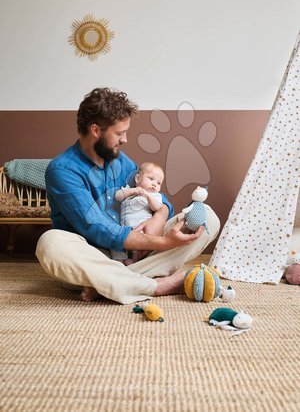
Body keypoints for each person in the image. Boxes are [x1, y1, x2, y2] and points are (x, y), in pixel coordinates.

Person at [36, 87, 220, 305]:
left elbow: (161, 200)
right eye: (119, 133)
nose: (125, 139)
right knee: (50, 243)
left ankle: (111, 282)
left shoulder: (122, 162)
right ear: (96, 130)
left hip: (136, 253)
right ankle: (156, 285)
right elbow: (95, 227)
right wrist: (162, 242)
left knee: (207, 217)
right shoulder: (62, 170)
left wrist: (158, 217)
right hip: (93, 257)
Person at [111, 162, 165, 265]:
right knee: (116, 241)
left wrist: (148, 197)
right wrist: (133, 191)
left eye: (159, 183)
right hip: (124, 227)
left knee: (141, 242)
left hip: (141, 227)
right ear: (137, 178)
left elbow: (157, 207)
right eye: (151, 179)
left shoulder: (155, 196)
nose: (154, 184)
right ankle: (118, 260)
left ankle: (135, 260)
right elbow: (117, 196)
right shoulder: (129, 190)